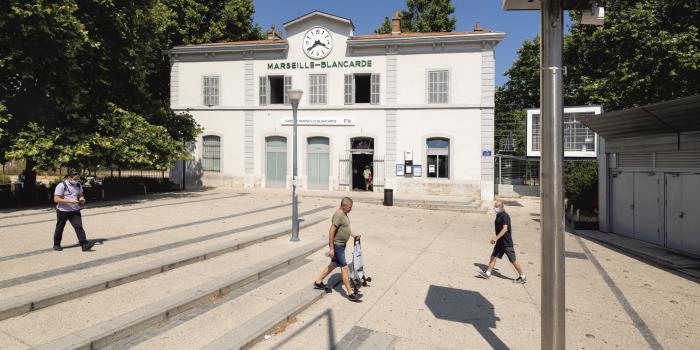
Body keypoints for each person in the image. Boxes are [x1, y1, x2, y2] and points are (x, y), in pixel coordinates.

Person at [313, 197, 363, 302]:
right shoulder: (338, 215)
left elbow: (344, 228)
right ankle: (350, 293)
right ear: (344, 206)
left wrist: (353, 235)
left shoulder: (344, 214)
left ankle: (318, 282)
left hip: (341, 245)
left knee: (333, 265)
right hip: (337, 246)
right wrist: (331, 248)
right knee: (344, 269)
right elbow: (331, 231)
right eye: (350, 207)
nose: (351, 209)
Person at [479, 200, 526, 283]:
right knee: (493, 256)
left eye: (496, 207)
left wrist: (496, 238)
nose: (494, 209)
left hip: (506, 243)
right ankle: (488, 273)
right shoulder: (499, 214)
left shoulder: (505, 216)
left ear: (501, 207)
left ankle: (522, 277)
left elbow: (505, 229)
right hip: (500, 242)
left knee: (513, 260)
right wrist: (497, 239)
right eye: (494, 207)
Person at [53, 170, 95, 252]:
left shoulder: (78, 185)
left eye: (78, 179)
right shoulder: (61, 185)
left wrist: (82, 199)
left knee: (79, 227)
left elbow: (81, 195)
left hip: (75, 210)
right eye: (75, 179)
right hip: (63, 211)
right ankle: (56, 244)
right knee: (60, 227)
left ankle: (84, 245)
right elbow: (56, 199)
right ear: (69, 177)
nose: (76, 181)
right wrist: (70, 201)